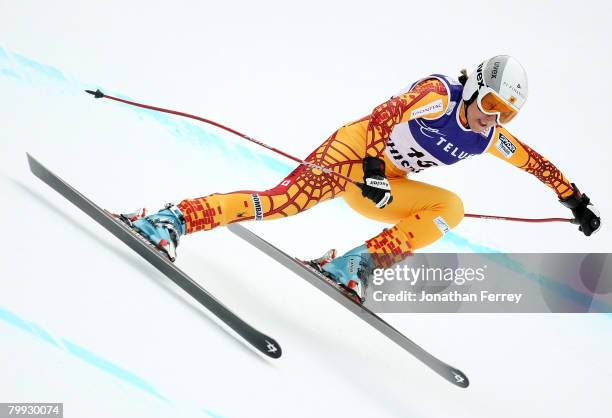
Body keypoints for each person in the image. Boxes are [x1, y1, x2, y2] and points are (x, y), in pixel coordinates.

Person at [121, 55, 601, 303]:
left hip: (385, 185)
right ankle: (172, 219)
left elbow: (535, 162)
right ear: (475, 86)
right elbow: (381, 118)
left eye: (506, 115)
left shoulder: (488, 138)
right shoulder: (437, 94)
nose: (493, 120)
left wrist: (573, 199)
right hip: (353, 156)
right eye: (492, 104)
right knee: (282, 203)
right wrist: (370, 169)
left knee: (449, 209)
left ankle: (353, 265)